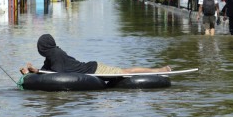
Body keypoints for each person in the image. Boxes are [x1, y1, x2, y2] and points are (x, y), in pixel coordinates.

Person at [19, 34, 171, 75]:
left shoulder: (56, 54)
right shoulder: (50, 57)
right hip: (91, 68)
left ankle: (160, 70)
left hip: (95, 69)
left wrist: (37, 71)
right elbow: (46, 71)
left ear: (44, 47)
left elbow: (56, 74)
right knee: (125, 71)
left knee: (126, 71)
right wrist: (29, 73)